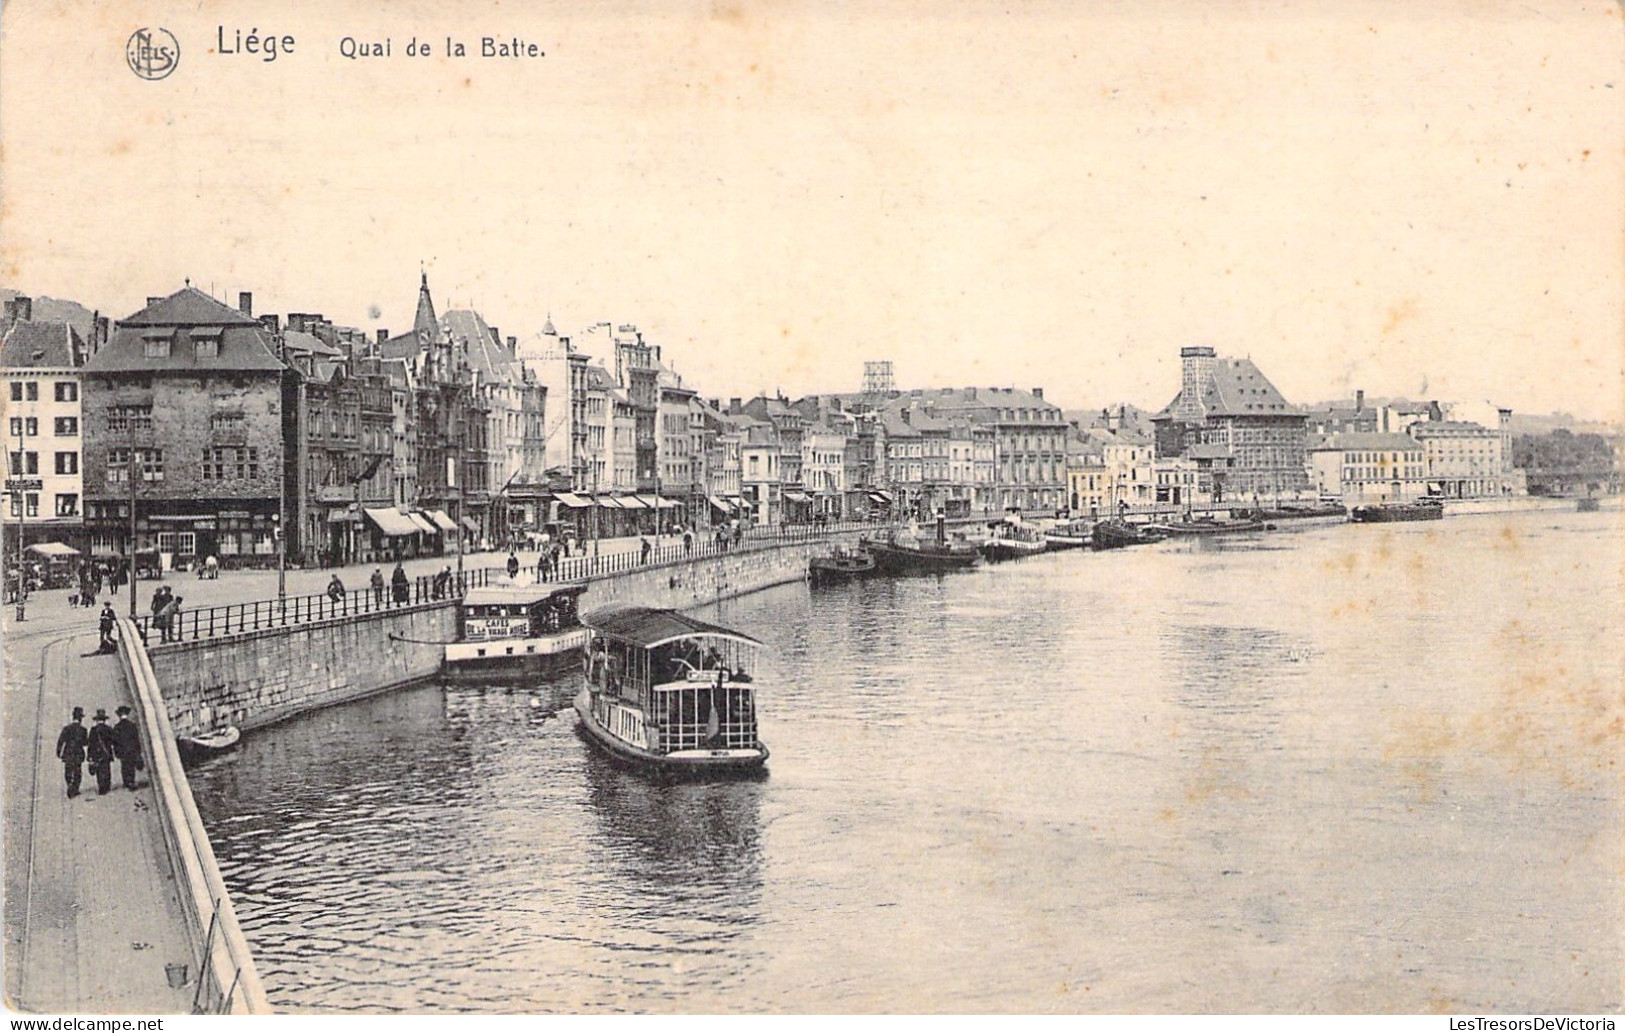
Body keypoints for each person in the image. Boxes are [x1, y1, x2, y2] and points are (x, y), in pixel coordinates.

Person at [55, 706, 88, 798]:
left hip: (68, 752)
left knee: (68, 770)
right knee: (77, 771)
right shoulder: (83, 730)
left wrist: (58, 752)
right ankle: (75, 788)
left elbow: (61, 741)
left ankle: (69, 783)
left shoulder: (67, 728)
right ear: (81, 719)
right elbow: (85, 743)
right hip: (78, 753)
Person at [112, 705, 144, 790]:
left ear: (119, 715)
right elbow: (136, 739)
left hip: (123, 751)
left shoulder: (117, 727)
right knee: (132, 766)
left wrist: (116, 751)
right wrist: (138, 751)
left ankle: (126, 782)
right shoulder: (132, 725)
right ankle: (131, 781)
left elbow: (115, 741)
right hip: (132, 750)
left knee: (124, 766)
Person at [87, 709, 116, 796]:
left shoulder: (93, 730)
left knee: (99, 770)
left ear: (97, 720)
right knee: (106, 768)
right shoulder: (108, 729)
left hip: (96, 753)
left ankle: (101, 786)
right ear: (104, 720)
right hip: (106, 753)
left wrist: (89, 756)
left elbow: (90, 743)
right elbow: (113, 741)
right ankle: (106, 785)